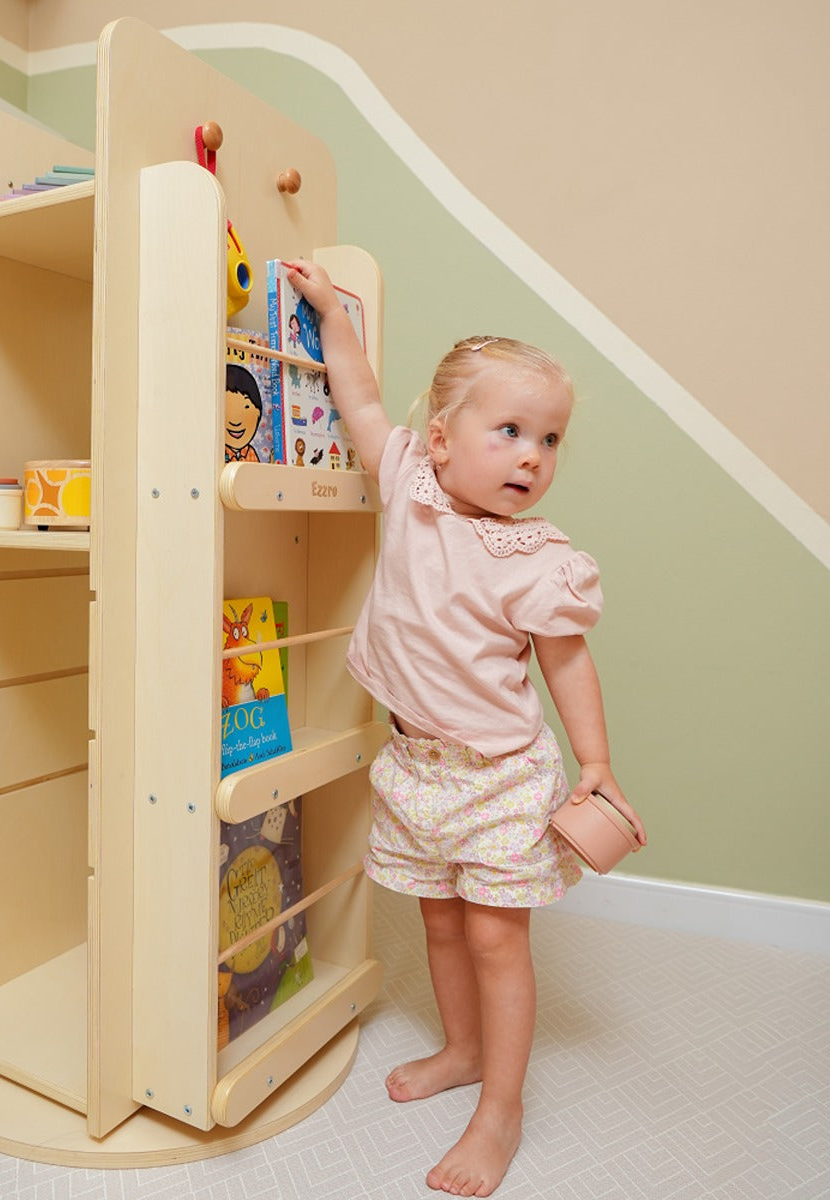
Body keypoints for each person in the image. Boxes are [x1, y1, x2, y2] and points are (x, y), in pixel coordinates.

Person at [285, 260, 647, 1198]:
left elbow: (568, 663)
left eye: (551, 439)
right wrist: (332, 314)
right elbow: (357, 393)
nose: (532, 456)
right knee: (439, 929)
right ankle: (462, 1052)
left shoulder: (539, 560)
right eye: (511, 431)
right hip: (412, 765)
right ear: (441, 441)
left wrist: (596, 762)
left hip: (497, 778)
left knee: (495, 939)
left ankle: (503, 1107)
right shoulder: (406, 480)